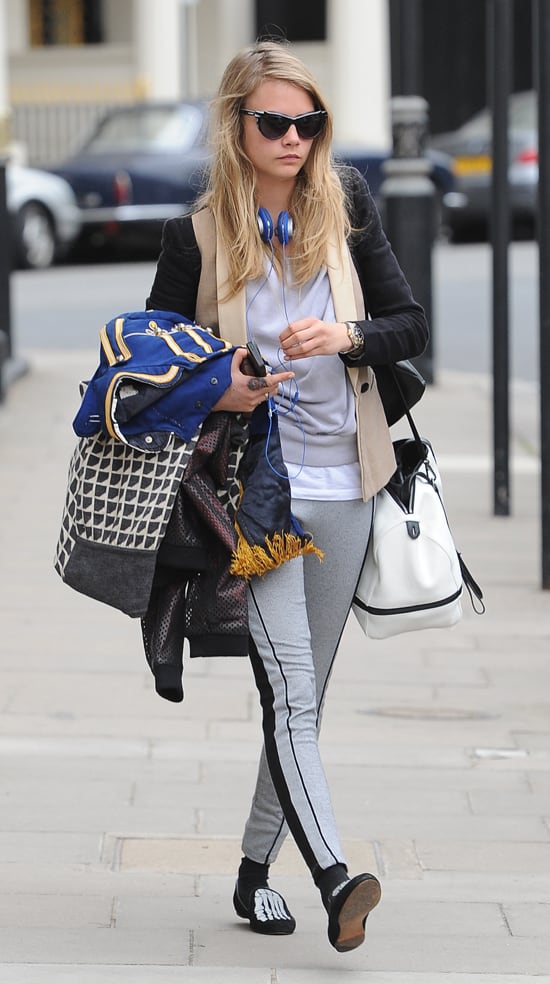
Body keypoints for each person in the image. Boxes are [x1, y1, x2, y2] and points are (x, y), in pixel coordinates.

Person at [146, 39, 428, 953]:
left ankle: (252, 872)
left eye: (309, 121)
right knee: (294, 693)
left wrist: (345, 336)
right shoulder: (196, 236)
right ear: (238, 127)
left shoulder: (344, 213)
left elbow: (408, 324)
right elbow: (147, 366)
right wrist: (221, 385)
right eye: (275, 121)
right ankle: (338, 877)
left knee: (303, 697)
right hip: (251, 496)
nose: (295, 137)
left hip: (348, 483)